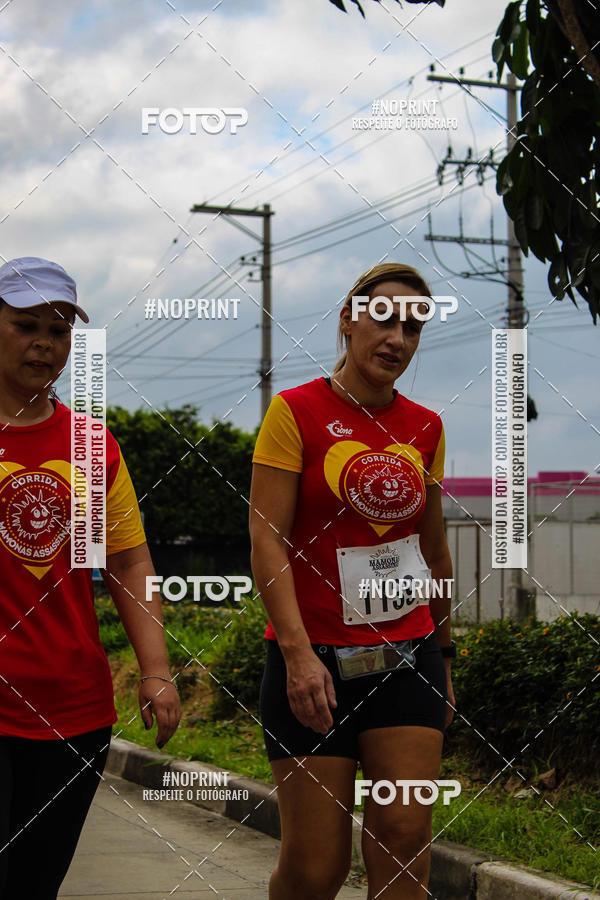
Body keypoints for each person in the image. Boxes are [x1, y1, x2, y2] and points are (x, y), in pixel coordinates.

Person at [250, 262, 456, 900]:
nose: (398, 339)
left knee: (401, 844)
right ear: (349, 318)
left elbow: (433, 549)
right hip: (314, 666)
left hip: (406, 654)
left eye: (414, 329)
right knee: (317, 868)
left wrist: (444, 656)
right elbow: (266, 539)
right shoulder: (294, 413)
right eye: (385, 319)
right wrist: (297, 654)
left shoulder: (425, 426)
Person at [0, 257, 181, 900]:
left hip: (70, 710)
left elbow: (129, 563)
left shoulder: (91, 445)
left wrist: (155, 669)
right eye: (25, 325)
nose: (44, 343)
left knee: (33, 886)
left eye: (59, 330)